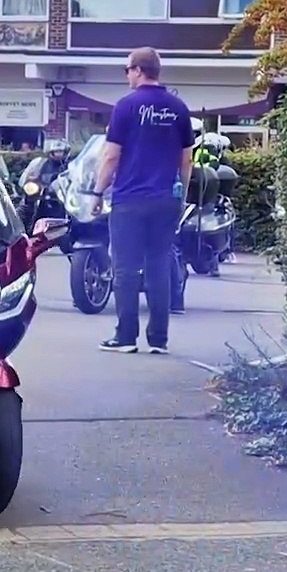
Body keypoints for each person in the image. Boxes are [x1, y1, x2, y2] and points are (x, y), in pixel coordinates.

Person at [88, 47, 194, 354]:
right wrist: (181, 194)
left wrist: (97, 192)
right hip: (165, 201)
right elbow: (186, 160)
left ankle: (126, 337)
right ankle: (158, 340)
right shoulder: (178, 108)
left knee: (125, 268)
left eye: (127, 70)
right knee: (159, 266)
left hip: (130, 200)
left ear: (137, 70)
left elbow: (110, 156)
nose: (126, 76)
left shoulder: (126, 106)